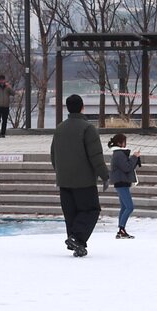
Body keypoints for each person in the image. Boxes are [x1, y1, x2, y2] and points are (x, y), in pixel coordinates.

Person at [49, 94, 108, 258]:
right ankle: (76, 238)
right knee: (91, 210)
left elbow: (53, 155)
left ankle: (77, 244)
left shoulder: (59, 128)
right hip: (84, 181)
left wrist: (61, 172)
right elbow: (95, 156)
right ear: (82, 107)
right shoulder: (87, 128)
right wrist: (104, 175)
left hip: (64, 180)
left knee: (71, 213)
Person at [107, 133, 141, 239]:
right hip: (121, 183)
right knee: (129, 207)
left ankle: (121, 230)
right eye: (124, 141)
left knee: (124, 207)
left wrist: (133, 157)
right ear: (119, 143)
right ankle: (121, 229)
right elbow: (127, 167)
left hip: (122, 183)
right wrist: (134, 157)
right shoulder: (119, 154)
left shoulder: (119, 154)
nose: (126, 143)